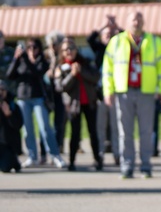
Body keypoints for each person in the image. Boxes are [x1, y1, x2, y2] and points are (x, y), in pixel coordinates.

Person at [103, 11, 161, 179]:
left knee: (146, 131)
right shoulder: (116, 41)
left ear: (143, 22)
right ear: (127, 22)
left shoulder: (154, 41)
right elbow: (107, 69)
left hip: (145, 92)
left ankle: (146, 166)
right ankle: (127, 166)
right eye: (133, 19)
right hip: (123, 92)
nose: (137, 22)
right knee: (125, 132)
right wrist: (108, 91)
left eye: (139, 20)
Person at [5, 37, 66, 169]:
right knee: (28, 130)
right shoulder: (20, 61)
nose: (32, 50)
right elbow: (10, 75)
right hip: (22, 98)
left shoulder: (41, 61)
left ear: (39, 49)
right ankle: (32, 156)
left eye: (35, 47)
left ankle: (55, 155)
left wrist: (26, 59)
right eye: (29, 48)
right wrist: (16, 59)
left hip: (38, 97)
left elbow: (37, 73)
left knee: (45, 127)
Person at [53, 39, 100, 171]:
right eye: (66, 49)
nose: (69, 51)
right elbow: (60, 87)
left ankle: (97, 159)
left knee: (93, 133)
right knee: (75, 133)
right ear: (62, 52)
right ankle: (72, 161)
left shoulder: (85, 63)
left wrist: (81, 71)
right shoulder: (60, 68)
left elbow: (95, 77)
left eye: (72, 48)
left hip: (89, 103)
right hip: (73, 105)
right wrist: (73, 75)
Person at [89, 19, 120, 168]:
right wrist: (103, 26)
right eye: (105, 34)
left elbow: (125, 35)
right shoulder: (99, 48)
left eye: (111, 34)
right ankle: (100, 155)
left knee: (116, 126)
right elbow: (90, 38)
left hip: (116, 93)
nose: (108, 36)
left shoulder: (119, 48)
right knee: (100, 127)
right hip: (100, 94)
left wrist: (115, 27)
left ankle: (117, 154)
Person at [0, 78, 24, 173]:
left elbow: (18, 125)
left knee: (5, 168)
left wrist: (9, 115)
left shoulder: (13, 106)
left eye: (2, 90)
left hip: (8, 144)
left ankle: (14, 161)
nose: (0, 93)